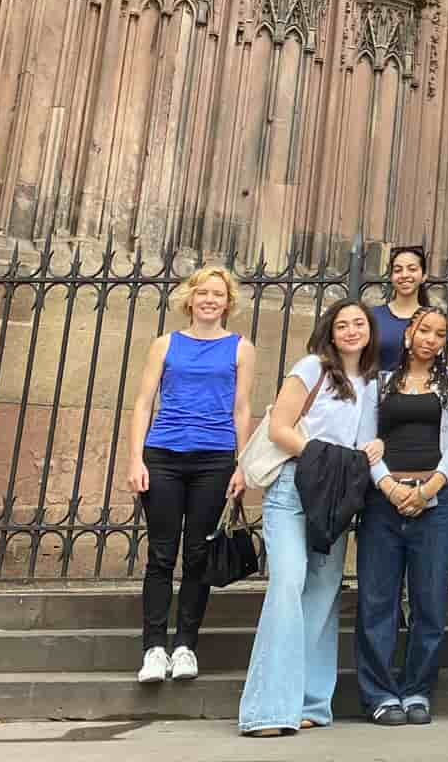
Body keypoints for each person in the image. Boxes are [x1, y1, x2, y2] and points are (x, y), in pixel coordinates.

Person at [238, 299, 378, 735]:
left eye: (359, 323)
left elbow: (370, 440)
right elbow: (280, 427)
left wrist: (373, 453)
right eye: (342, 325)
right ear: (330, 332)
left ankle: (312, 704)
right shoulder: (311, 368)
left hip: (334, 493)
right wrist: (331, 459)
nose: (351, 331)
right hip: (293, 486)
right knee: (287, 584)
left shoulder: (372, 383)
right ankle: (267, 711)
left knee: (322, 593)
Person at [126, 266, 254, 684]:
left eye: (218, 294)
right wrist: (134, 459)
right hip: (162, 455)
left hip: (214, 460)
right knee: (161, 555)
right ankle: (153, 649)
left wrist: (242, 465)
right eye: (203, 293)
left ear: (228, 303)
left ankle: (184, 646)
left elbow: (241, 409)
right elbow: (143, 404)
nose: (210, 300)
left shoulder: (240, 348)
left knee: (198, 556)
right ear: (190, 298)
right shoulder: (166, 344)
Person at [354, 307, 448, 726]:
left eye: (440, 334)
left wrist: (428, 490)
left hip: (435, 503)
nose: (431, 339)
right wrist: (388, 486)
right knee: (377, 601)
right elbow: (365, 439)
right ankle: (380, 694)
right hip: (382, 502)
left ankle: (417, 689)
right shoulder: (379, 384)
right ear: (408, 334)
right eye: (424, 330)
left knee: (430, 603)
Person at [372, 245, 440, 375]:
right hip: (379, 390)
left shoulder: (433, 318)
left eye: (412, 269)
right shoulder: (373, 316)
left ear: (424, 276)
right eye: (398, 270)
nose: (404, 275)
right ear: (391, 277)